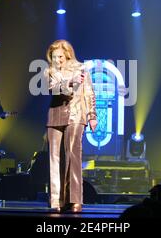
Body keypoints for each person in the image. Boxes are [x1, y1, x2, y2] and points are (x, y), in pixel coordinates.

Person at [45, 39, 97, 213]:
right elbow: (52, 89)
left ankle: (74, 200)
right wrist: (70, 82)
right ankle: (56, 200)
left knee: (73, 156)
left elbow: (89, 93)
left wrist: (92, 116)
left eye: (60, 56)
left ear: (67, 54)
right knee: (54, 158)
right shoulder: (49, 71)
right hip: (55, 115)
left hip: (76, 114)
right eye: (54, 57)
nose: (57, 60)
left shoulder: (81, 69)